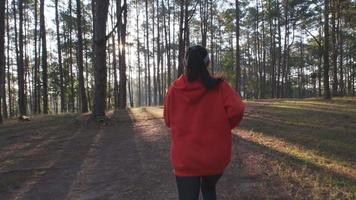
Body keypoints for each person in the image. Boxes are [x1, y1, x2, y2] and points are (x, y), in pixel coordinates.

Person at [163, 45, 245, 200]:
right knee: (208, 189)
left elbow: (168, 120)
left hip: (185, 159)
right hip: (215, 158)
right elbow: (238, 109)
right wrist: (225, 125)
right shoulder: (220, 86)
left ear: (185, 64)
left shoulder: (174, 90)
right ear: (208, 63)